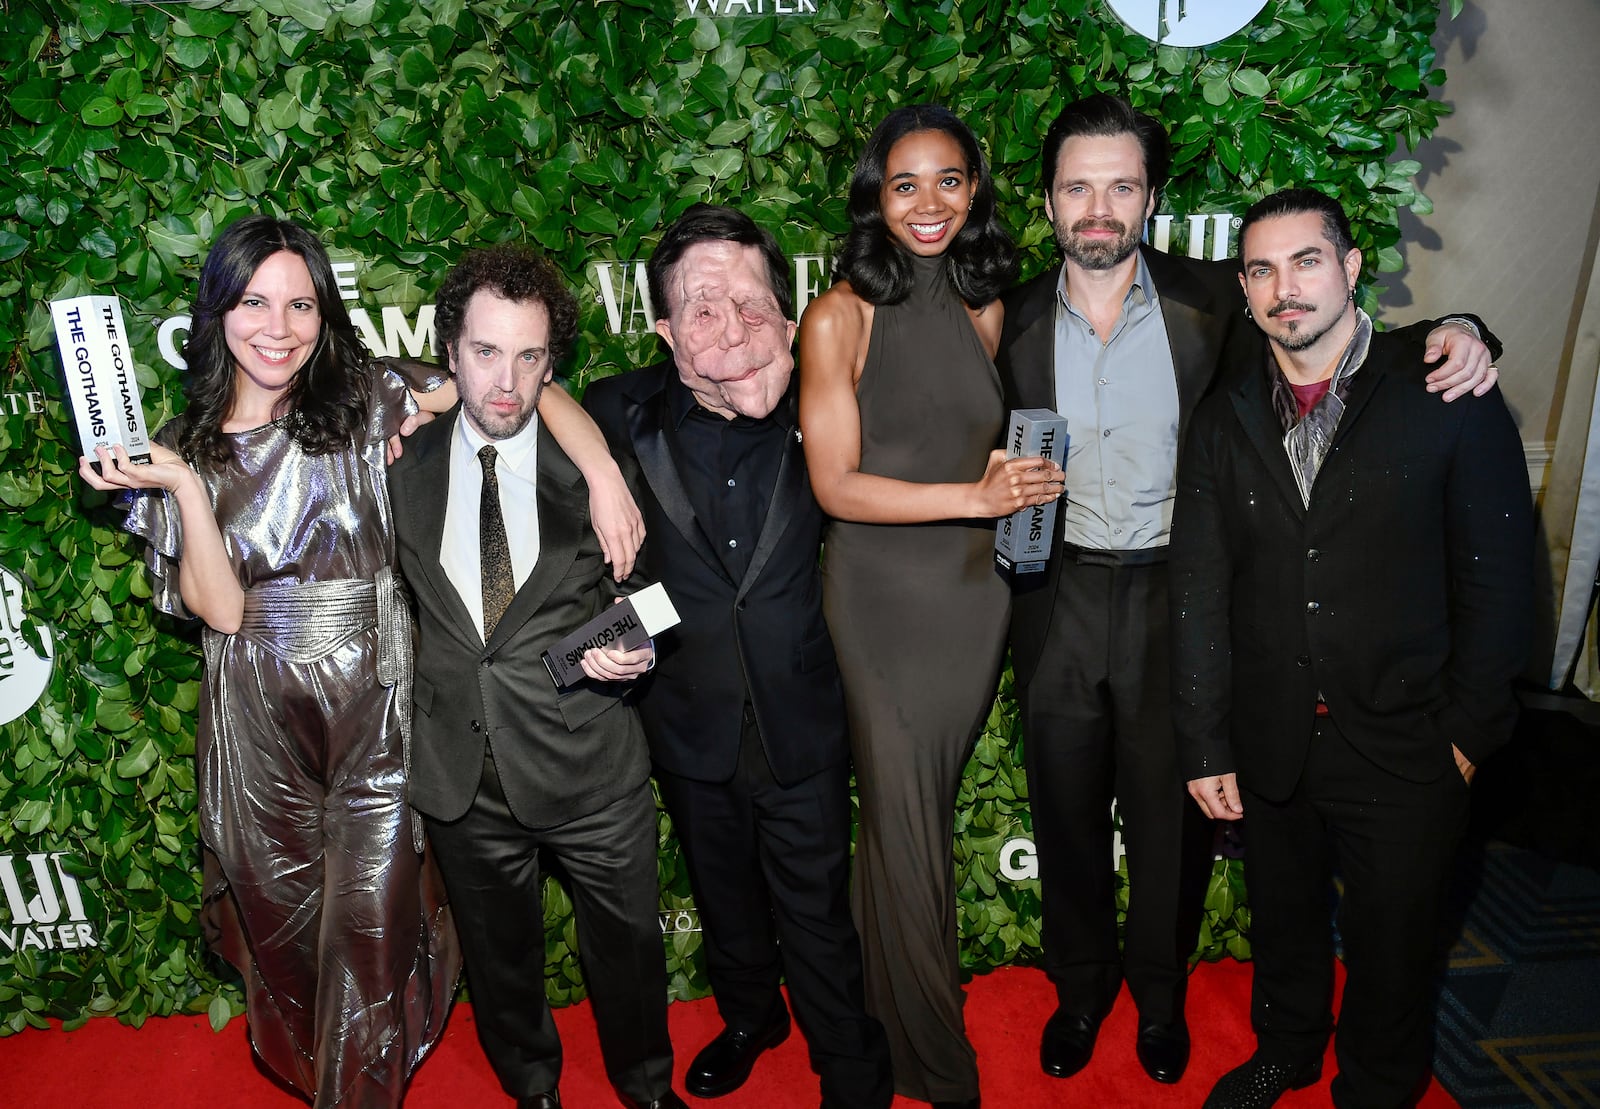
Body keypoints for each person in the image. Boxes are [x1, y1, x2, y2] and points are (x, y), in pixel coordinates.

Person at [993, 93, 1500, 1088]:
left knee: (1170, 821)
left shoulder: (1215, 301)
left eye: (1120, 186)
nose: (1097, 207)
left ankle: (1159, 999)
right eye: (1075, 187)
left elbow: (1344, 347)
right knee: (1061, 812)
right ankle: (1081, 989)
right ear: (1049, 202)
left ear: (1149, 199)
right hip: (1054, 595)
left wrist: (1464, 329)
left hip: (1172, 591)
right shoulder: (1002, 316)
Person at [78, 215, 639, 1107]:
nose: (279, 324)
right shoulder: (184, 447)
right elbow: (219, 610)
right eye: (255, 300)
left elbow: (513, 386)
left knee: (370, 938)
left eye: (301, 302)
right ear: (218, 309)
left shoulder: (367, 398)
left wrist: (603, 468)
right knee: (291, 942)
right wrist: (184, 484)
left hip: (374, 709)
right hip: (255, 717)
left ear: (324, 310)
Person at [1173, 187, 1532, 1108]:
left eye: (1306, 261)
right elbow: (1203, 587)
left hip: (1411, 741)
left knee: (1395, 942)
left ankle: (1377, 1082)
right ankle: (1286, 1050)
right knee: (1285, 921)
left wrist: (1467, 733)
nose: (1284, 287)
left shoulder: (1444, 388)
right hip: (1274, 733)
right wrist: (1208, 740)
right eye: (1261, 268)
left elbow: (1500, 581)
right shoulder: (1223, 417)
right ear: (1245, 288)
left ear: (1351, 266)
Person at [585, 204, 894, 1109]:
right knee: (724, 897)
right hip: (687, 719)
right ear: (664, 331)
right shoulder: (618, 410)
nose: (735, 329)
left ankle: (850, 1067)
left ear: (791, 315)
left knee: (818, 911)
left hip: (802, 719)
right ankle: (753, 1017)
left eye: (755, 304)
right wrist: (603, 473)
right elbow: (524, 395)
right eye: (704, 310)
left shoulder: (831, 407)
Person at [798, 106, 1064, 1109]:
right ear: (875, 197)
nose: (927, 203)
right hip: (879, 599)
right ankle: (941, 1069)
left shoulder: (980, 305)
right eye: (904, 184)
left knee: (907, 820)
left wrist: (1004, 485)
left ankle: (877, 1019)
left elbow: (972, 443)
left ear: (974, 192)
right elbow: (835, 483)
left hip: (971, 596)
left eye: (948, 181)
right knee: (907, 821)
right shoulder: (838, 316)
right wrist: (974, 496)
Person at [388, 244, 685, 1109]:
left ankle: (644, 1083)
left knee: (629, 946)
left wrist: (631, 653)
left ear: (553, 362)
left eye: (529, 357)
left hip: (589, 761)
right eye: (485, 352)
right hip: (461, 771)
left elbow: (647, 598)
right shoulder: (399, 466)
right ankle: (532, 1085)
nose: (506, 381)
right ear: (450, 352)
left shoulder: (597, 474)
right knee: (499, 956)